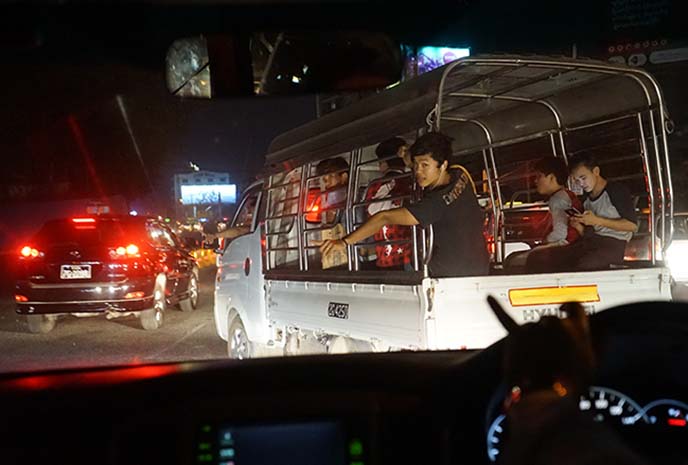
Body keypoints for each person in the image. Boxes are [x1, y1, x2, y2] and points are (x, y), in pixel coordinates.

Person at [320, 132, 489, 278]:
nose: (418, 171)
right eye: (416, 165)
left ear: (443, 165)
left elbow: (384, 217)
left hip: (447, 274)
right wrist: (408, 154)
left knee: (412, 263)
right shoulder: (459, 175)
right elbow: (419, 161)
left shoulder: (434, 203)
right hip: (479, 267)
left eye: (425, 166)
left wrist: (344, 242)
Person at [526, 154, 637, 272]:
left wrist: (598, 220)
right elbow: (588, 233)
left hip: (613, 245)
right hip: (589, 243)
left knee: (583, 265)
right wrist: (578, 226)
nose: (581, 184)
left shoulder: (615, 191)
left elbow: (632, 226)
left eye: (583, 178)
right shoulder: (586, 198)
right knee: (539, 258)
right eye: (577, 181)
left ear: (596, 171)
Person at [521, 158, 583, 272]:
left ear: (552, 178)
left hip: (567, 244)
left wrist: (545, 242)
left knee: (526, 258)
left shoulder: (557, 199)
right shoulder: (566, 195)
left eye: (539, 176)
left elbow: (560, 234)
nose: (535, 181)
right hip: (574, 242)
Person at [361, 138, 414, 270]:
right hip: (412, 250)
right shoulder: (414, 181)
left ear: (383, 162)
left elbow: (369, 212)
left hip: (387, 255)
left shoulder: (376, 185)